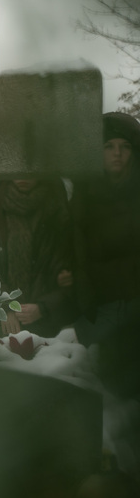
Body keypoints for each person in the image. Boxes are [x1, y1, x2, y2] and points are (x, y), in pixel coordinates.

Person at [74, 111, 140, 400]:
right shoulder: (83, 195)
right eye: (108, 146)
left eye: (124, 147)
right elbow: (74, 249)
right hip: (99, 312)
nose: (117, 154)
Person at [0, 177, 76, 338]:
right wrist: (5, 306)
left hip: (52, 330)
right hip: (1, 327)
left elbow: (75, 278)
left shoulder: (59, 215)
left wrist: (43, 308)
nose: (22, 175)